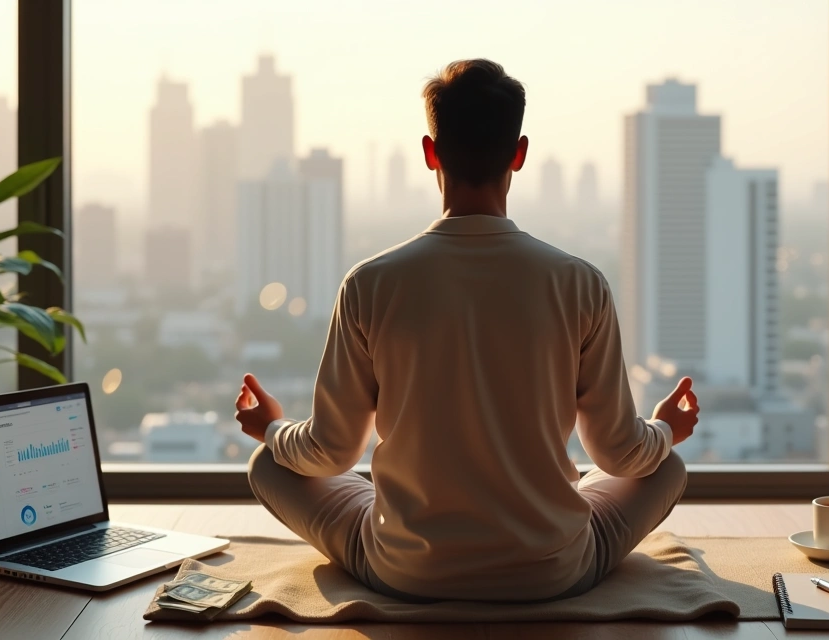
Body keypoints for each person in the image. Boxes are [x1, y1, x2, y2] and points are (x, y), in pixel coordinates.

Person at [235, 59, 699, 603]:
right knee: (665, 466)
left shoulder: (371, 283)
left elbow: (330, 453)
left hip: (406, 571)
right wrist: (664, 430)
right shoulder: (579, 283)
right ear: (519, 154)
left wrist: (272, 428)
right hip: (552, 573)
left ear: (430, 152)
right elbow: (619, 456)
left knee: (270, 464)